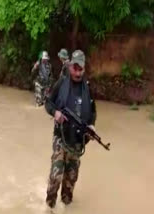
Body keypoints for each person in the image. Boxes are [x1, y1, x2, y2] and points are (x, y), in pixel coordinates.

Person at [44, 50, 96, 208]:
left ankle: (67, 206)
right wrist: (55, 112)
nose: (78, 72)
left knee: (70, 180)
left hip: (77, 142)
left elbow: (93, 112)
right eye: (75, 68)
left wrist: (92, 126)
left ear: (84, 69)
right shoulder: (61, 83)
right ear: (70, 66)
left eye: (81, 69)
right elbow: (48, 103)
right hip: (61, 136)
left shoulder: (87, 89)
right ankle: (49, 206)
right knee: (56, 175)